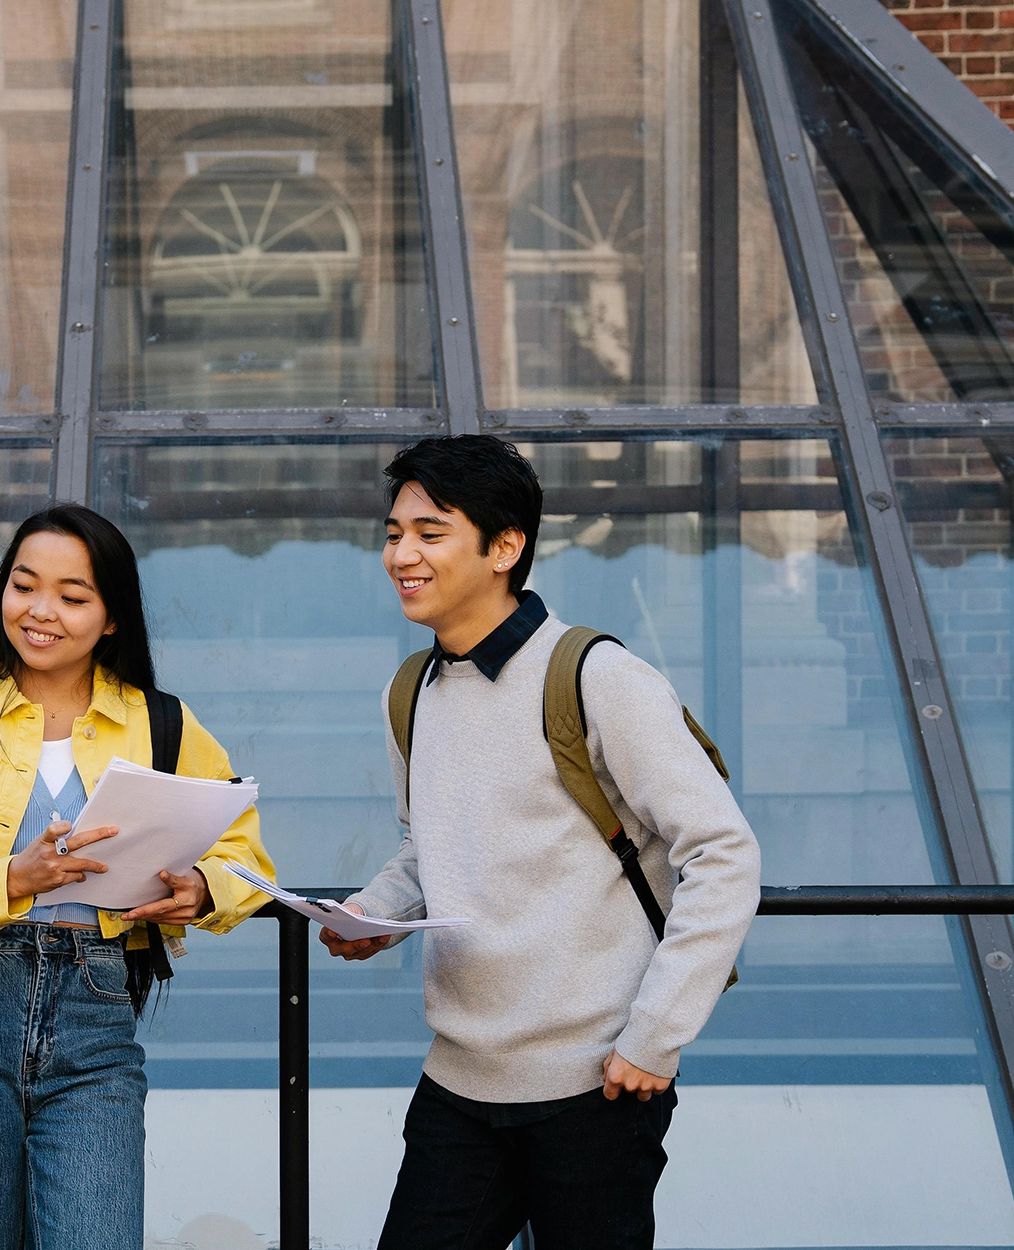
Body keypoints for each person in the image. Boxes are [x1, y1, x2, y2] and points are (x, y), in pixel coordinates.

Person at [325, 436, 760, 1250]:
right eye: (393, 533)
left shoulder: (597, 678)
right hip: (458, 1079)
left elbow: (724, 853)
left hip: (597, 1083)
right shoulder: (411, 691)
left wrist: (653, 1038)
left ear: (505, 547)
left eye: (430, 532)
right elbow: (433, 843)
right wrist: (372, 913)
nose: (401, 555)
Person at [0, 503, 277, 1250]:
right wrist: (12, 879)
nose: (41, 612)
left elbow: (247, 858)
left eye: (73, 597)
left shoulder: (163, 724)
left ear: (111, 617)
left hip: (96, 1021)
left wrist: (203, 887)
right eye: (23, 586)